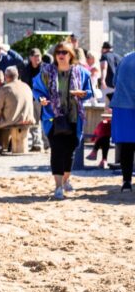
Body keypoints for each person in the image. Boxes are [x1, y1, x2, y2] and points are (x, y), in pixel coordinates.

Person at [33, 42, 94, 199]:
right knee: (57, 151)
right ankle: (58, 186)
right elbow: (37, 88)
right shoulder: (46, 72)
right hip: (53, 118)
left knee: (70, 151)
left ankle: (66, 180)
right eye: (58, 52)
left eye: (64, 52)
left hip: (74, 118)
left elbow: (89, 91)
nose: (61, 55)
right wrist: (41, 98)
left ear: (70, 55)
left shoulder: (81, 73)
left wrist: (82, 93)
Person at [0, 67, 35, 153]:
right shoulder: (26, 86)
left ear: (6, 77)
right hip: (27, 119)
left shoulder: (5, 88)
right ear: (17, 75)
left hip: (12, 120)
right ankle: (5, 144)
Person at [110, 52, 135, 192]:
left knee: (126, 147)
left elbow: (114, 82)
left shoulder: (125, 59)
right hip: (128, 105)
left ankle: (126, 181)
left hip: (122, 106)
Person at [22, 49, 47, 152]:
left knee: (45, 120)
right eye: (35, 56)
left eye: (39, 56)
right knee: (34, 121)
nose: (37, 58)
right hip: (31, 97)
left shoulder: (45, 68)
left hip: (44, 96)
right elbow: (24, 82)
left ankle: (47, 143)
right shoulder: (26, 69)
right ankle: (37, 144)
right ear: (30, 57)